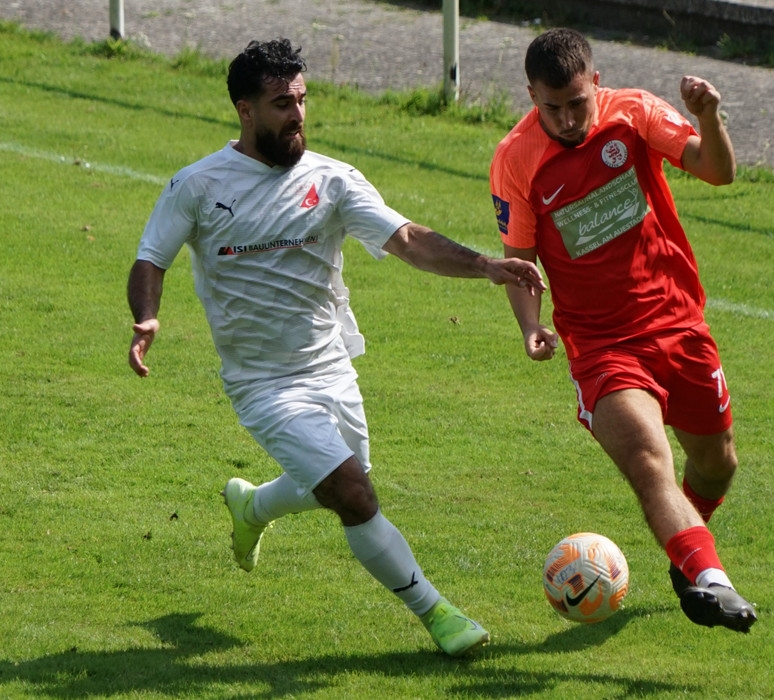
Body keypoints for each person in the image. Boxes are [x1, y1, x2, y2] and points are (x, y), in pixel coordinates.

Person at [127, 38, 545, 656]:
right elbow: (151, 257)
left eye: (301, 99)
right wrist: (147, 318)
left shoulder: (332, 180)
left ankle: (252, 507)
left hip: (331, 368)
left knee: (334, 482)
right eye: (281, 104)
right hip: (262, 385)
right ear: (245, 109)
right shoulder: (198, 185)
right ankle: (441, 617)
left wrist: (484, 265)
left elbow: (408, 239)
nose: (297, 114)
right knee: (353, 493)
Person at [489, 28, 757, 632]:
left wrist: (708, 118)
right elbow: (519, 258)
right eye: (550, 107)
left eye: (576, 103)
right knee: (647, 459)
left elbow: (717, 171)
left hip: (678, 323)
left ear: (596, 82)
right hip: (601, 345)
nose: (565, 120)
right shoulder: (516, 158)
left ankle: (687, 554)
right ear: (531, 95)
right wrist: (530, 325)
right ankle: (712, 579)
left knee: (717, 464)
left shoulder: (633, 113)